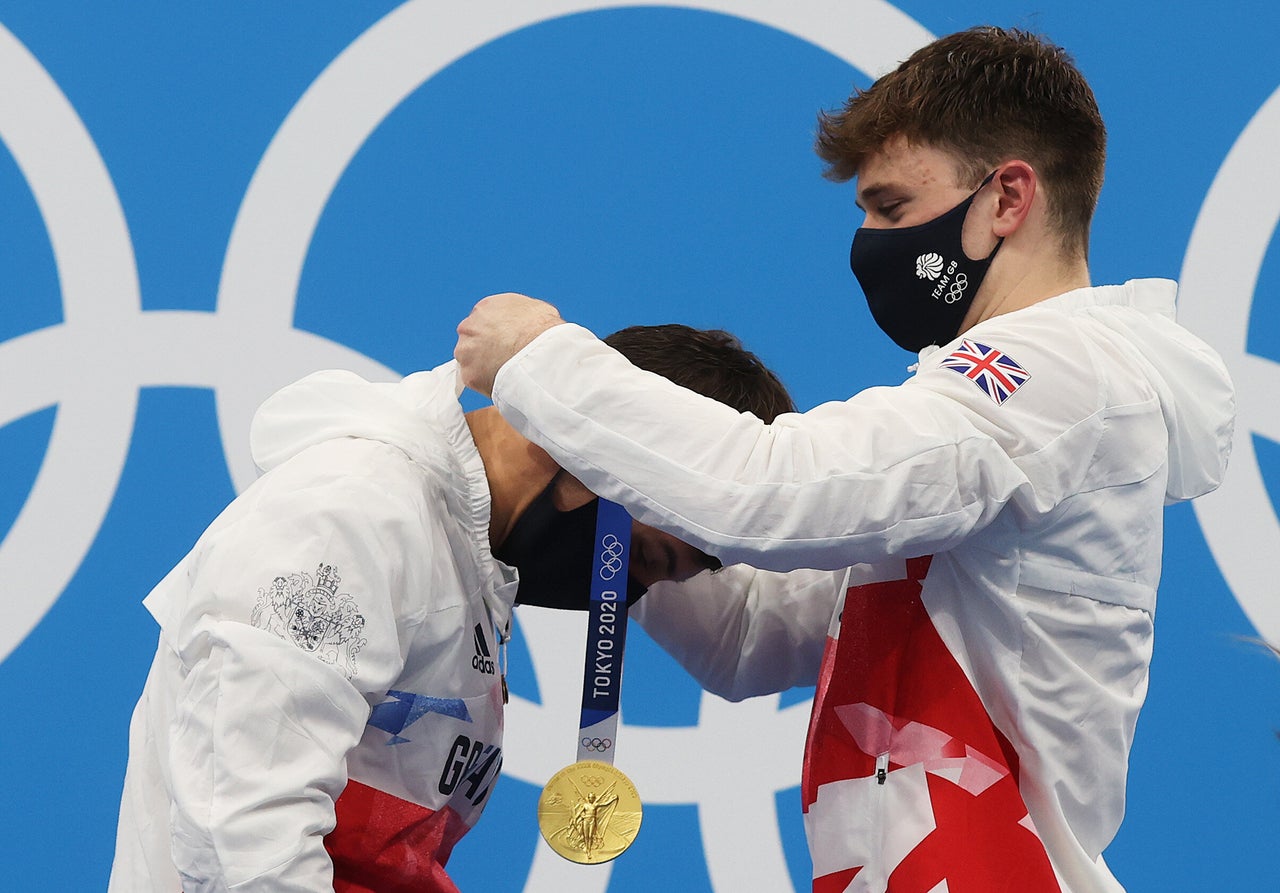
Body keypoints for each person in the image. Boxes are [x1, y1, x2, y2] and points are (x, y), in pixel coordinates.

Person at [453, 25, 1236, 893]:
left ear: (1009, 197)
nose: (868, 241)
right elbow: (755, 629)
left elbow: (771, 491)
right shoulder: (1003, 405)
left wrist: (544, 364)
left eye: (893, 207)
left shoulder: (1060, 374)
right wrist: (616, 514)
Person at [108, 323, 793, 892]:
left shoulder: (468, 555)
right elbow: (242, 837)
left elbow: (751, 627)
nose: (624, 593)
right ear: (591, 458)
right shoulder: (352, 517)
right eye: (644, 559)